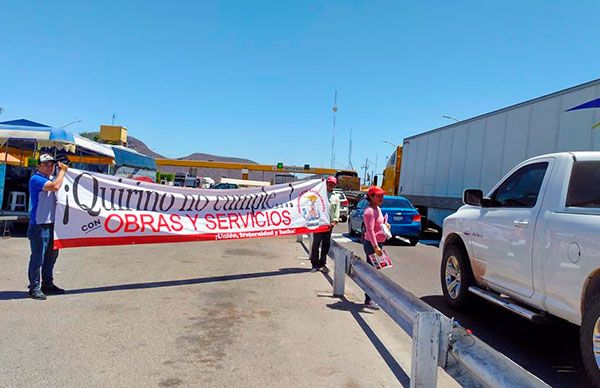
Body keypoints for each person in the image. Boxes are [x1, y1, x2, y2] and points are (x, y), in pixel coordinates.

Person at [27, 154, 69, 300]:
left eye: (51, 164)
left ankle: (47, 284)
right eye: (45, 164)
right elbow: (55, 187)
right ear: (38, 166)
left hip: (53, 224)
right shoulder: (36, 179)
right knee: (38, 258)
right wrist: (63, 171)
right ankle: (34, 287)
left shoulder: (52, 178)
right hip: (39, 225)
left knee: (51, 257)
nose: (49, 167)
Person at [362, 186, 390, 310]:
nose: (381, 198)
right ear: (371, 197)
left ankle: (371, 297)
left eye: (382, 196)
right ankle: (369, 299)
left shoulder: (377, 208)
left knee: (375, 271)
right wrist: (376, 247)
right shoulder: (369, 211)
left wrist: (386, 225)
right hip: (372, 245)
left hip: (378, 244)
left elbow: (379, 225)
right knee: (372, 273)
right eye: (378, 196)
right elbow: (370, 231)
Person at [310, 176, 340, 273]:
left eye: (333, 184)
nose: (331, 185)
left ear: (335, 185)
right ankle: (314, 264)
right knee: (316, 244)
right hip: (319, 224)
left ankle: (322, 264)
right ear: (326, 183)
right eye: (329, 183)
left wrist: (334, 221)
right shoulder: (319, 194)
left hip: (329, 225)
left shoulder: (335, 197)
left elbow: (336, 210)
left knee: (326, 245)